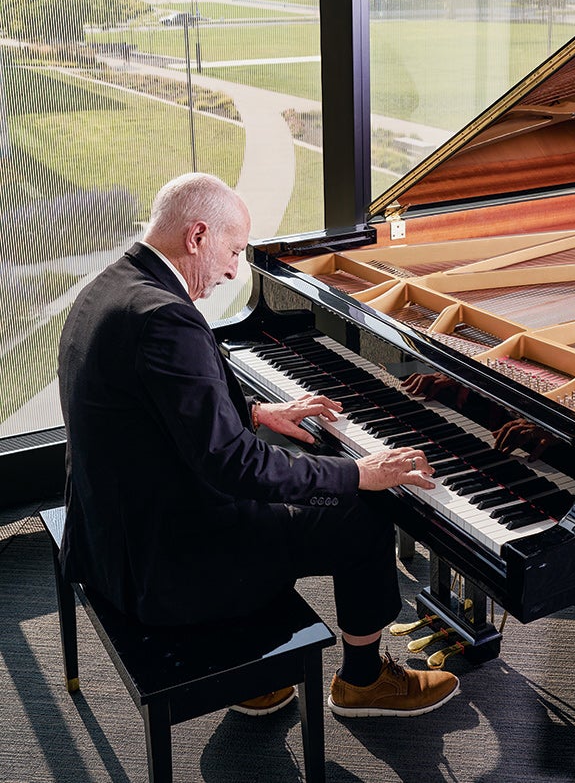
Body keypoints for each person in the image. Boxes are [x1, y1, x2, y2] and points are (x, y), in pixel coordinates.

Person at [58, 172, 459, 718]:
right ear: (197, 236)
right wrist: (358, 474)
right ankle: (364, 681)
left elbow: (147, 412)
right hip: (170, 567)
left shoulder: (109, 288)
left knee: (310, 482)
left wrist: (252, 411)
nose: (233, 270)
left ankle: (254, 677)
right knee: (363, 511)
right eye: (234, 250)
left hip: (111, 538)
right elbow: (234, 466)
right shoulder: (166, 319)